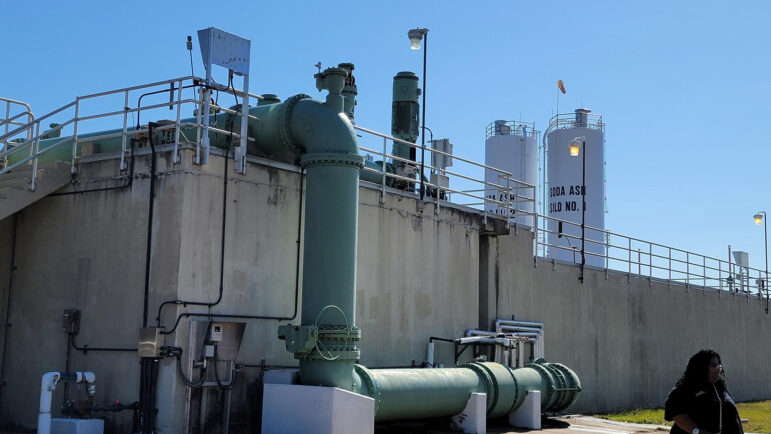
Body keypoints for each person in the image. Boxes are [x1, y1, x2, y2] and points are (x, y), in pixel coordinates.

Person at [665, 349, 744, 434]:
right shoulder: (686, 388)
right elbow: (677, 414)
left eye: (719, 366)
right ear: (702, 367)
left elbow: (734, 412)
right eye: (713, 365)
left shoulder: (719, 387)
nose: (718, 369)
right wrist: (697, 431)